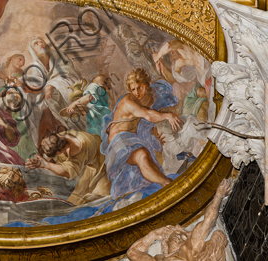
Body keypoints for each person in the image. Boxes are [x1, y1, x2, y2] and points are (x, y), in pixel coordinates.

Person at [100, 68, 182, 199]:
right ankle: (167, 183)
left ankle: (163, 182)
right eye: (133, 89)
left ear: (146, 85)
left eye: (139, 88)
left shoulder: (147, 97)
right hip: (119, 140)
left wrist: (152, 134)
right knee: (142, 155)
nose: (136, 93)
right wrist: (168, 115)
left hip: (132, 137)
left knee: (147, 158)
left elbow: (146, 119)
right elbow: (148, 115)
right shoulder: (129, 102)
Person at [127, 178, 234, 261]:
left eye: (182, 236)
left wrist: (219, 195)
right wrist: (153, 234)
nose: (179, 237)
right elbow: (132, 253)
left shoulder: (190, 248)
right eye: (174, 237)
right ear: (166, 245)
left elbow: (208, 220)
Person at [25, 36, 86, 146]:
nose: (40, 44)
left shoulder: (58, 55)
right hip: (53, 94)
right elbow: (36, 81)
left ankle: (80, 126)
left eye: (41, 41)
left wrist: (50, 85)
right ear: (33, 50)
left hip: (69, 84)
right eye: (36, 44)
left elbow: (67, 71)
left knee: (53, 93)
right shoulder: (37, 65)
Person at [26, 130, 111, 205]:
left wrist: (46, 165)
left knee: (98, 198)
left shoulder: (77, 148)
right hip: (93, 157)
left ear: (59, 152)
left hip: (103, 162)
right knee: (76, 197)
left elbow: (68, 171)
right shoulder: (59, 138)